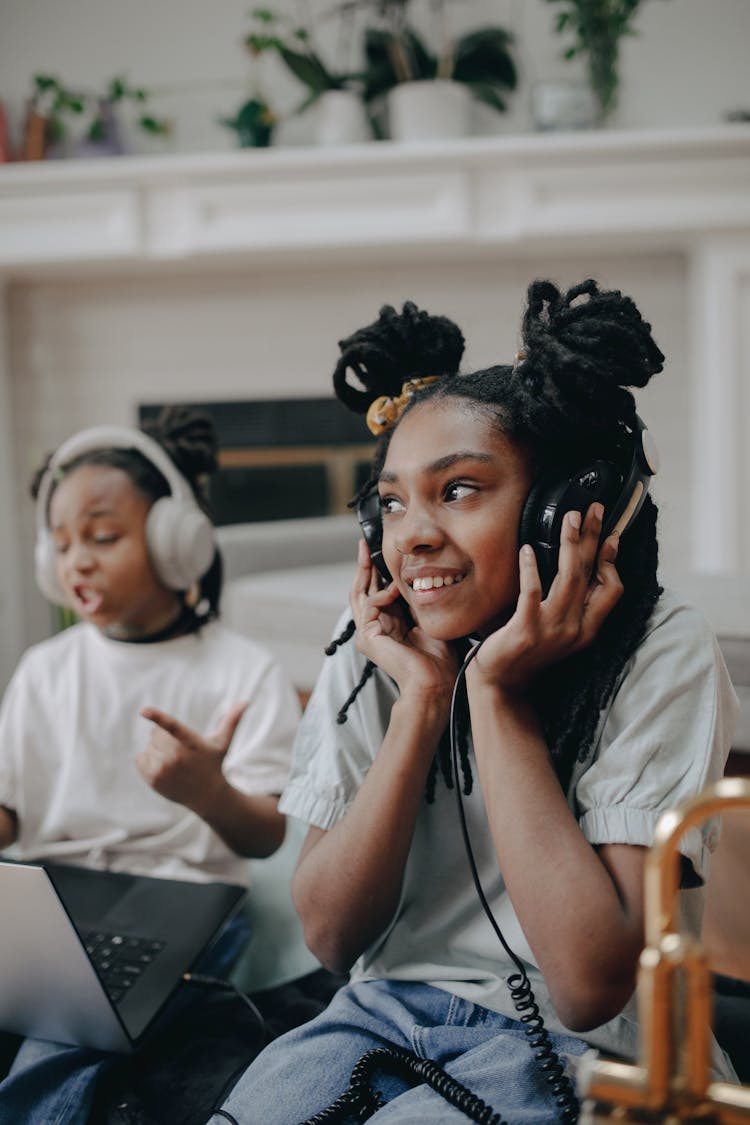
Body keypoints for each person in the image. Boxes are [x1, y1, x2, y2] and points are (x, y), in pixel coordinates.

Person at [209, 280, 739, 1125]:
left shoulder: (660, 646)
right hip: (377, 1018)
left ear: (557, 512)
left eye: (458, 489)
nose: (411, 532)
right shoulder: (376, 645)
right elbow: (333, 937)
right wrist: (423, 698)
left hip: (596, 1050)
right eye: (391, 502)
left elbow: (589, 984)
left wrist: (494, 691)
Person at [0, 406, 301, 1124]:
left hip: (181, 897)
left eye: (102, 536)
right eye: (63, 543)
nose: (77, 558)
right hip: (51, 899)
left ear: (176, 543)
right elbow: (11, 810)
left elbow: (262, 838)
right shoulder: (45, 669)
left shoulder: (242, 670)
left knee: (61, 1038)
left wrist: (205, 791)